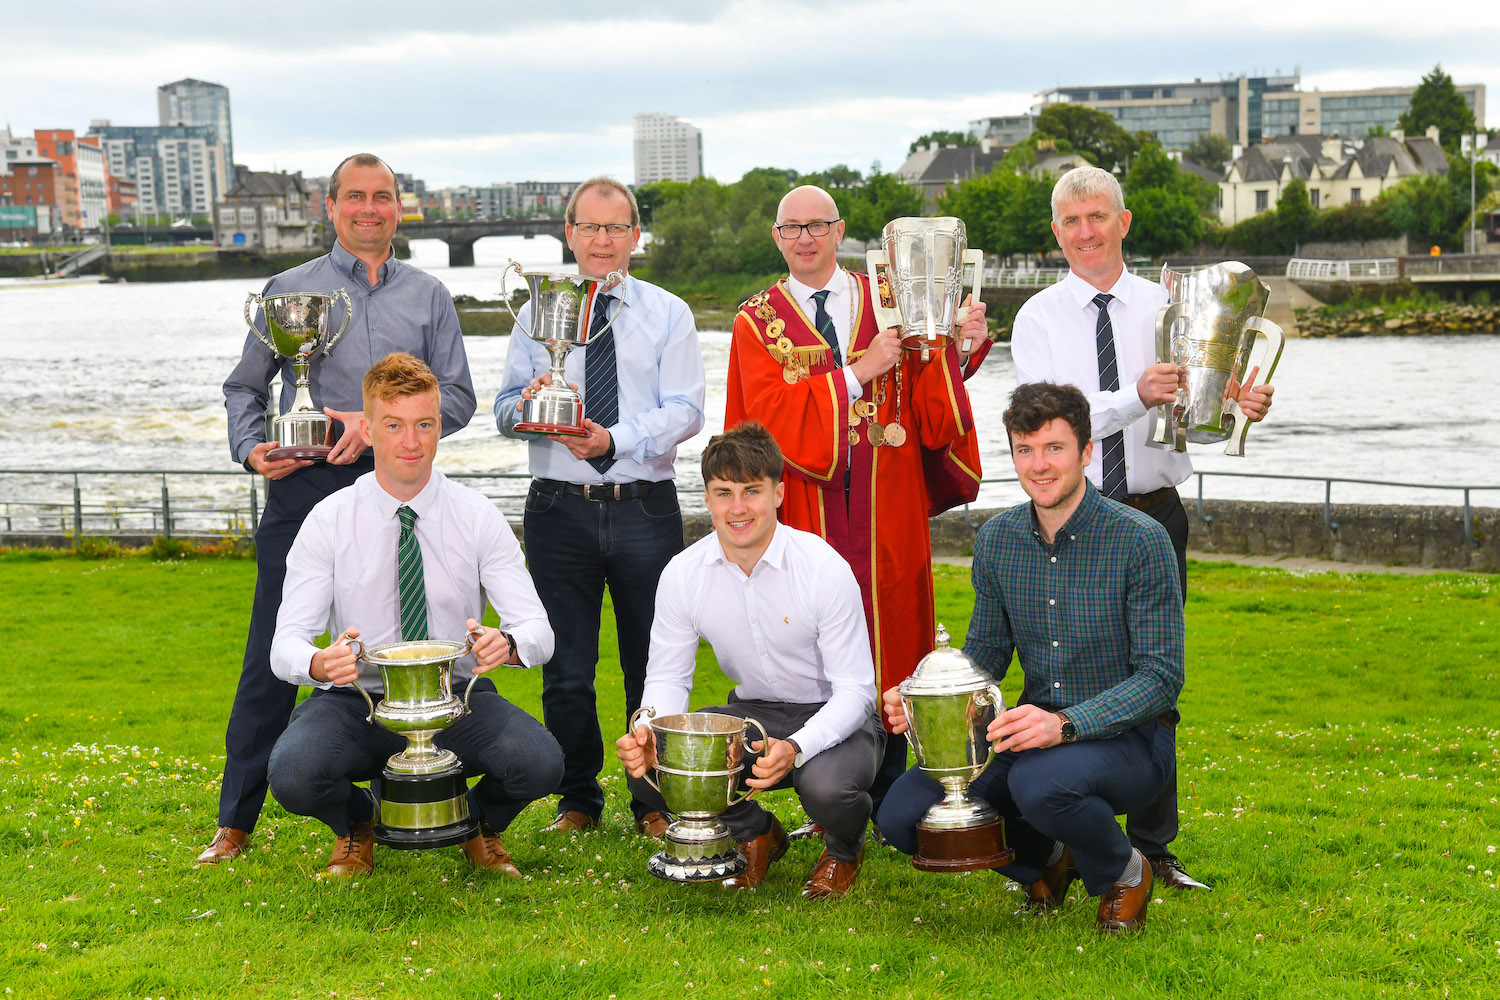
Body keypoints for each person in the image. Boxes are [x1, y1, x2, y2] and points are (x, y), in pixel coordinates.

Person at [201, 153, 476, 865]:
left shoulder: (429, 295)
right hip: (306, 490)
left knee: (406, 645)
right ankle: (235, 822)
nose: (369, 209)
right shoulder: (289, 290)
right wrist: (252, 447)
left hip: (400, 493)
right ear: (331, 207)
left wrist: (380, 419)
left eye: (383, 197)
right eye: (355, 197)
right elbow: (244, 388)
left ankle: (427, 799)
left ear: (399, 208)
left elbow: (460, 398)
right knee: (273, 653)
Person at [1011, 164, 1274, 890]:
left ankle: (1156, 848)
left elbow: (1191, 424)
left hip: (1155, 516)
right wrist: (1133, 394)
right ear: (1057, 232)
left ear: (1123, 223)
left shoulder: (1172, 305)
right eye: (1071, 221)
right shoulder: (1037, 318)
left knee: (1157, 682)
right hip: (1069, 521)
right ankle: (1060, 836)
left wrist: (1233, 402)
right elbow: (1043, 424)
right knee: (1056, 675)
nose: (1085, 232)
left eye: (1097, 217)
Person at [876, 381, 1184, 933]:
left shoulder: (1142, 540)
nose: (1038, 466)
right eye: (1025, 449)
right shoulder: (998, 539)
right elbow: (987, 653)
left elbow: (1161, 678)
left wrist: (1066, 725)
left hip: (1134, 739)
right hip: (1030, 728)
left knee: (1039, 786)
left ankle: (1124, 870)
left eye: (1054, 448)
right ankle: (1044, 862)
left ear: (1087, 452)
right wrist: (927, 699)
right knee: (904, 817)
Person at [723, 184, 987, 817]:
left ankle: (900, 790)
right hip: (807, 508)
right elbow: (760, 420)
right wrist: (855, 373)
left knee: (894, 626)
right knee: (810, 636)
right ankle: (831, 791)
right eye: (792, 229)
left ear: (841, 232)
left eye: (818, 225)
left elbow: (929, 374)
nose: (806, 238)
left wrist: (962, 345)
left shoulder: (890, 296)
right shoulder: (754, 321)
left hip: (886, 498)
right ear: (777, 238)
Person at [266, 352, 560, 877]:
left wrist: (507, 645)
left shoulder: (477, 515)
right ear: (369, 430)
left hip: (454, 697)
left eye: (423, 424)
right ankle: (360, 823)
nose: (410, 441)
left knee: (540, 763)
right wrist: (318, 663)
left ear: (439, 427)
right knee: (294, 773)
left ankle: (476, 826)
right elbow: (286, 641)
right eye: (394, 425)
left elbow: (538, 630)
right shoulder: (328, 520)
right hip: (358, 698)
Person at [494, 177, 705, 837]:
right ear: (570, 234)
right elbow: (502, 412)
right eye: (590, 227)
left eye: (616, 228)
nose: (603, 240)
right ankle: (578, 801)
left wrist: (615, 439)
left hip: (646, 507)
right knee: (566, 671)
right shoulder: (537, 313)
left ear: (635, 235)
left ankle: (653, 805)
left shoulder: (669, 312)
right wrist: (532, 406)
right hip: (559, 508)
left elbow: (687, 410)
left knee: (654, 666)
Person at [615, 422, 882, 897]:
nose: (737, 508)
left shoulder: (822, 568)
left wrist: (797, 747)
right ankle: (757, 832)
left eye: (751, 491)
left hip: (833, 714)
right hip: (752, 711)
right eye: (723, 493)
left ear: (779, 493)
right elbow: (667, 677)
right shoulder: (682, 573)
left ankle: (844, 849)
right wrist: (649, 728)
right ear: (707, 498)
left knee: (825, 789)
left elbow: (858, 692)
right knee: (655, 766)